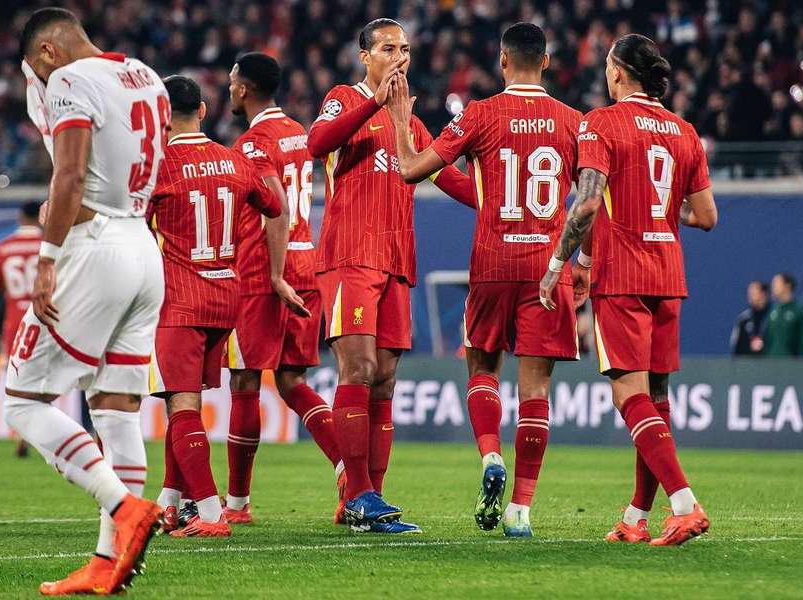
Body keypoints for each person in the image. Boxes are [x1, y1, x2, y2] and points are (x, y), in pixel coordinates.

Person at [388, 23, 582, 538]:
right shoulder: (572, 121)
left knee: (481, 366)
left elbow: (412, 169)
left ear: (501, 61)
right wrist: (584, 261)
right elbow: (590, 201)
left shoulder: (479, 114)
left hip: (494, 262)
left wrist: (399, 122)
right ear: (545, 62)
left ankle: (491, 456)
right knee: (536, 385)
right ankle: (521, 508)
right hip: (548, 264)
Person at [5, 8, 168, 594]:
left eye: (35, 70)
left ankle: (125, 508)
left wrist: (47, 257)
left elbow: (70, 177)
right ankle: (106, 562)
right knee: (116, 406)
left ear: (47, 53)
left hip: (95, 247)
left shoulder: (71, 81)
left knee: (21, 401)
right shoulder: (147, 76)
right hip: (143, 248)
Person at [539, 34, 718, 546]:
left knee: (628, 394)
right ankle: (637, 516)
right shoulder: (684, 131)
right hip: (668, 273)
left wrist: (559, 264)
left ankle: (684, 504)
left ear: (617, 72)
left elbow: (589, 204)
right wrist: (659, 211)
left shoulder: (601, 122)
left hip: (625, 276)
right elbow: (706, 216)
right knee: (656, 399)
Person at [306, 17, 474, 534]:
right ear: (365, 55)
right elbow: (316, 144)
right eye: (386, 48)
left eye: (403, 48)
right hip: (350, 256)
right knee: (356, 370)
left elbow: (453, 181)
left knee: (384, 381)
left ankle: (370, 497)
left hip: (397, 261)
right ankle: (357, 494)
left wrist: (507, 206)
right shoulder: (344, 97)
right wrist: (374, 103)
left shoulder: (411, 124)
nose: (398, 56)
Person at [148, 75, 283, 538]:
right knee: (184, 402)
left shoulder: (159, 166)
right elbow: (274, 203)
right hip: (226, 298)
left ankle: (208, 512)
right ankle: (169, 501)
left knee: (181, 406)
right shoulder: (234, 160)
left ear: (161, 116)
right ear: (203, 112)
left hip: (179, 300)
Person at [224, 52, 345, 525]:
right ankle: (347, 472)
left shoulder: (253, 142)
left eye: (233, 81)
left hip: (262, 272)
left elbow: (273, 202)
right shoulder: (298, 132)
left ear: (243, 89)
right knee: (294, 382)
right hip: (306, 262)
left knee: (245, 381)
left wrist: (272, 275)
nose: (229, 88)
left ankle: (236, 504)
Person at [0, 200, 43, 456]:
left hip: (16, 324)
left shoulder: (3, 248)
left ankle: (21, 432)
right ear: (39, 216)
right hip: (47, 319)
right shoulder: (52, 246)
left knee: (17, 381)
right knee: (44, 381)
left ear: (19, 217)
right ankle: (44, 432)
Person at [763, 273, 803, 357]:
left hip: (790, 364)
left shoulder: (799, 311)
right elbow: (767, 340)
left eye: (776, 284)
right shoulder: (772, 311)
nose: (773, 287)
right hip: (771, 364)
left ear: (787, 286)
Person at [730, 280, 770, 355]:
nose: (750, 297)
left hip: (769, 364)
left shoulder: (773, 317)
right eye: (749, 294)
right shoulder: (744, 318)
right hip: (747, 365)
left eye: (754, 293)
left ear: (764, 294)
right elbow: (736, 345)